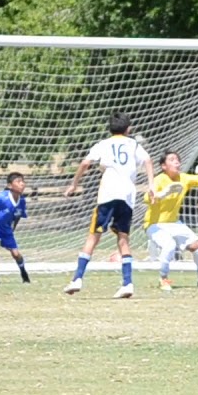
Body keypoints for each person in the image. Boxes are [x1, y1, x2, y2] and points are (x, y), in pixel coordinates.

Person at [63, 111, 157, 299]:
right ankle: (127, 283)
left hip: (108, 194)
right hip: (127, 195)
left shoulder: (103, 144)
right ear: (128, 128)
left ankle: (77, 279)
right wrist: (151, 185)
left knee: (93, 236)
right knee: (123, 239)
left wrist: (74, 184)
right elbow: (147, 160)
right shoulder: (134, 144)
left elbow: (85, 163)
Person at [143, 152, 198, 290]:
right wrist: (161, 194)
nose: (177, 162)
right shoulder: (159, 180)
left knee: (197, 245)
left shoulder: (183, 178)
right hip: (154, 224)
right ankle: (163, 279)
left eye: (178, 160)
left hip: (173, 223)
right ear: (163, 166)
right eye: (172, 160)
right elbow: (146, 198)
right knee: (169, 245)